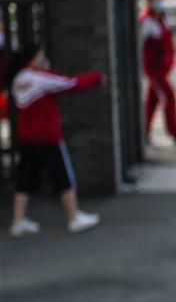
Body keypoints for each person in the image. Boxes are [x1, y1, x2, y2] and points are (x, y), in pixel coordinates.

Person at [4, 44, 103, 236]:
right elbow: (70, 83)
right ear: (33, 58)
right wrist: (96, 76)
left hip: (28, 137)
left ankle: (18, 220)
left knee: (24, 178)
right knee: (62, 176)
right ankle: (74, 217)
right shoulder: (40, 77)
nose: (43, 59)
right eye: (41, 55)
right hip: (48, 136)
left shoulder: (19, 79)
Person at [140, 0, 176, 146]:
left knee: (152, 101)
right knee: (169, 97)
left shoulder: (162, 17)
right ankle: (175, 133)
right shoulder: (146, 21)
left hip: (163, 68)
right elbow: (142, 46)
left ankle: (143, 131)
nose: (160, 1)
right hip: (154, 69)